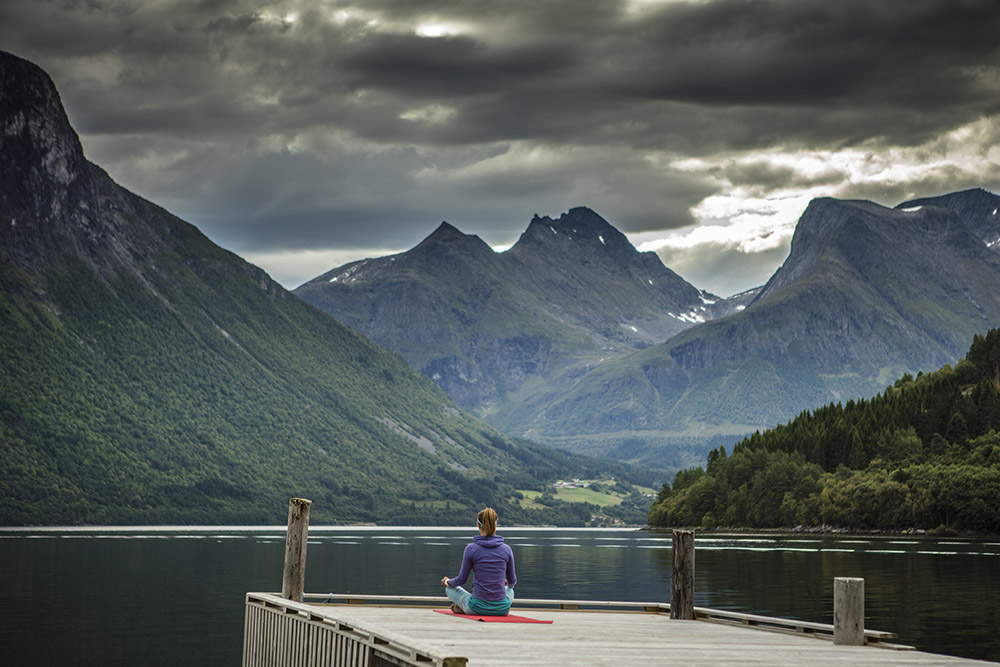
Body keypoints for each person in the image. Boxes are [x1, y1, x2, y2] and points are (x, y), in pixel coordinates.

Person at [440, 507, 517, 615]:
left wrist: (447, 582)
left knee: (449, 589)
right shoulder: (507, 549)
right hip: (502, 610)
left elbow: (461, 580)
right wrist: (503, 583)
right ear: (496, 525)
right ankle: (465, 607)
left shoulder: (471, 549)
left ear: (478, 525)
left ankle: (463, 607)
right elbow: (512, 582)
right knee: (510, 590)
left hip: (476, 608)